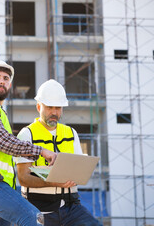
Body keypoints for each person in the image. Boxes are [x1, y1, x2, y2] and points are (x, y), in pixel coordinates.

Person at [0, 60, 57, 226]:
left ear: (10, 85)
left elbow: (6, 150)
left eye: (6, 78)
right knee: (33, 218)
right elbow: (2, 141)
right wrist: (42, 151)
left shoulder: (0, 113)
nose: (2, 81)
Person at [15, 79, 101, 226]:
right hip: (40, 209)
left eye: (58, 108)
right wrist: (55, 182)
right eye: (49, 107)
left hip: (72, 206)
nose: (54, 112)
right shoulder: (27, 134)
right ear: (38, 107)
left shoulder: (71, 133)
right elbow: (23, 178)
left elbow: (78, 169)